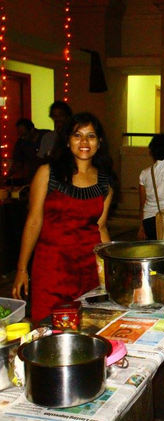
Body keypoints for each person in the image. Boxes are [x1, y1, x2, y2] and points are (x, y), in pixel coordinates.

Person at [12, 112, 115, 322]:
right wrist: (22, 269)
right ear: (68, 141)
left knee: (86, 326)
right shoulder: (48, 173)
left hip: (88, 270)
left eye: (91, 136)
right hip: (51, 269)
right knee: (47, 325)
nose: (84, 142)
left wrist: (112, 269)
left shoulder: (106, 182)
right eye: (77, 135)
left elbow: (101, 227)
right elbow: (33, 222)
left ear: (99, 142)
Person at [7, 119, 44, 185]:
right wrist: (6, 176)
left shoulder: (46, 136)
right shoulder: (20, 142)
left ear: (32, 130)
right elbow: (17, 163)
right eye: (20, 135)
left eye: (24, 135)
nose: (22, 138)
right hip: (33, 178)